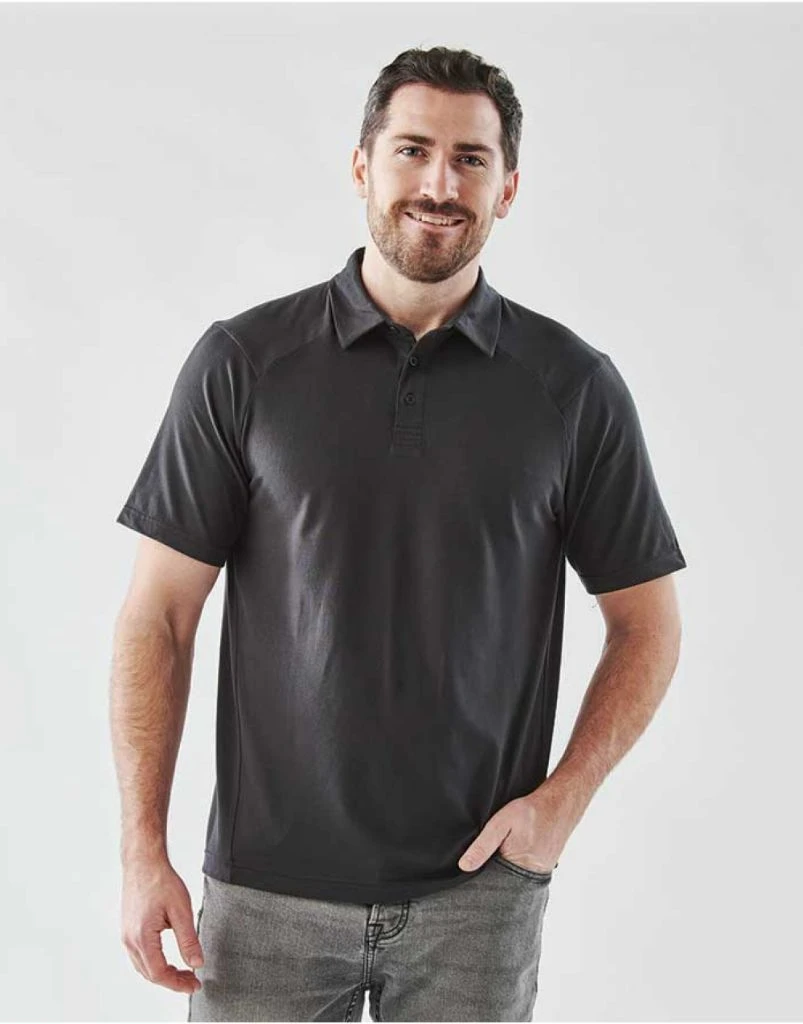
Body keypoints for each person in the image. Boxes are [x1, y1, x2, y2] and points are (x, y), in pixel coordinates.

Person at [110, 45, 687, 1023]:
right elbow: (158, 617)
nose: (438, 184)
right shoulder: (244, 363)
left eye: (470, 159)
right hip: (263, 895)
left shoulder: (571, 388)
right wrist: (140, 851)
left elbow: (647, 624)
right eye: (412, 149)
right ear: (361, 166)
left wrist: (560, 805)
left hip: (477, 898)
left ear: (507, 189)